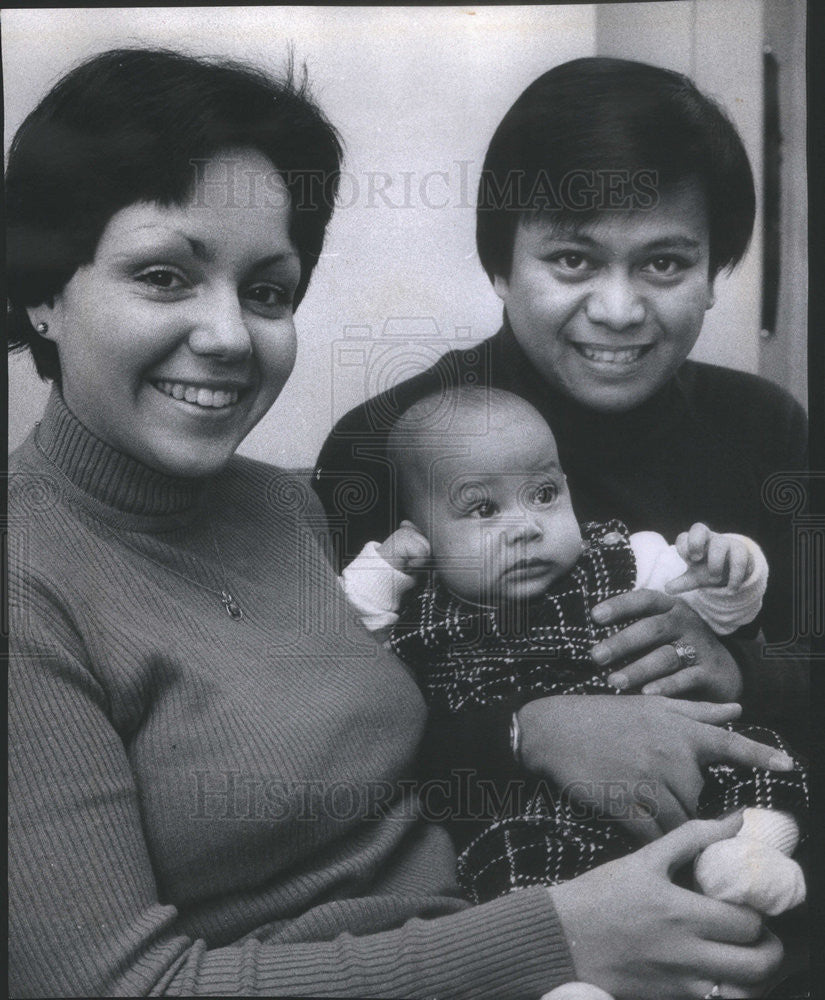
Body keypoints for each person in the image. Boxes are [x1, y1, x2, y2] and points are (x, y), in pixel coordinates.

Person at [7, 47, 788, 1000]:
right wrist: (555, 929)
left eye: (266, 290)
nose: (225, 335)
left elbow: (405, 765)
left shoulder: (277, 507)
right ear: (43, 289)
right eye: (164, 276)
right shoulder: (32, 581)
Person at [313, 57, 810, 848]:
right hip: (513, 896)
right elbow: (322, 729)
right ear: (500, 266)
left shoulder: (764, 427)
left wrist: (742, 668)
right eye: (572, 260)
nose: (617, 310)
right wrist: (526, 730)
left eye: (664, 263)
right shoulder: (388, 444)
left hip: (754, 862)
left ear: (714, 274)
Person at [340, 386, 807, 913]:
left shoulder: (624, 557)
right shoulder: (421, 614)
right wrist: (385, 566)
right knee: (510, 866)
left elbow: (723, 611)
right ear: (420, 535)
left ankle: (747, 857)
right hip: (530, 806)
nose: (527, 528)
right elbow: (347, 644)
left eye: (543, 495)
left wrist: (731, 568)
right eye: (483, 508)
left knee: (761, 760)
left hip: (671, 760)